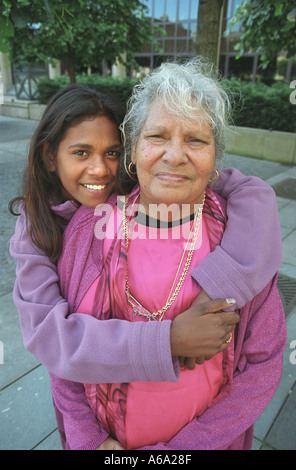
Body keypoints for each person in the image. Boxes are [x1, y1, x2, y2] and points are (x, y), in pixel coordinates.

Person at [51, 58, 286, 450]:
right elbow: (62, 355)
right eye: (157, 136)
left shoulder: (241, 241)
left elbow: (263, 364)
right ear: (133, 149)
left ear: (215, 158)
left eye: (196, 140)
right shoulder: (87, 231)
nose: (175, 155)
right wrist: (92, 441)